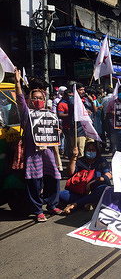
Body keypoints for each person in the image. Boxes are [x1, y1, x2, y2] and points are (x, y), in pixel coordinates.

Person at [14, 68, 62, 222]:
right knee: (34, 181)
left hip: (48, 152)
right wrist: (17, 82)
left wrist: (57, 132)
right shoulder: (27, 112)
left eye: (40, 97)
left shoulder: (50, 113)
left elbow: (55, 130)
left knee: (53, 177)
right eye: (34, 98)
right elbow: (20, 99)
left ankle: (52, 204)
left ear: (44, 98)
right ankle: (37, 209)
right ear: (30, 100)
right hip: (32, 152)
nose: (37, 100)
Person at [61, 143, 112, 214]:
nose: (91, 152)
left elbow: (108, 174)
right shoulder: (80, 161)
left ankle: (76, 204)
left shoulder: (101, 161)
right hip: (80, 190)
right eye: (88, 150)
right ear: (85, 151)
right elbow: (71, 172)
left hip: (95, 189)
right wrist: (74, 157)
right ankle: (88, 202)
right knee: (62, 194)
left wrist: (94, 182)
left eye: (93, 150)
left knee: (104, 189)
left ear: (97, 151)